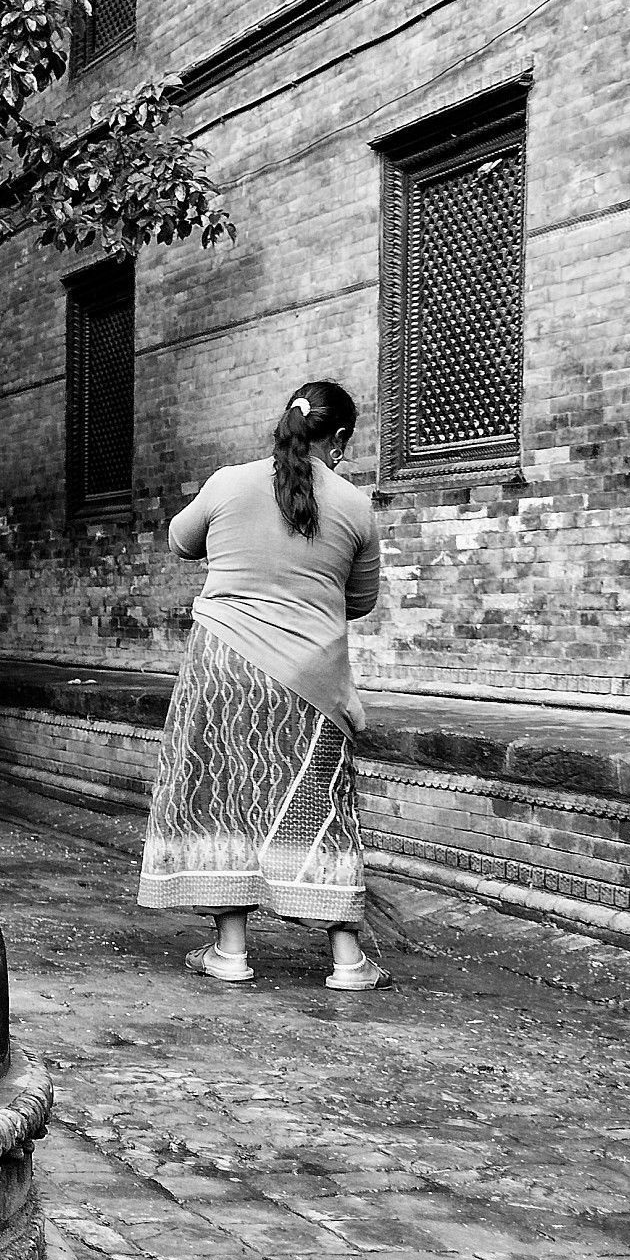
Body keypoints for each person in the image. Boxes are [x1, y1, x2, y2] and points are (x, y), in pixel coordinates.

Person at [138, 380, 388, 991]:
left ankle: (230, 952)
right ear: (340, 440)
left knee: (224, 797)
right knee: (320, 809)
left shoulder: (228, 483)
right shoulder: (355, 506)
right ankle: (348, 961)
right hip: (311, 679)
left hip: (223, 666)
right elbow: (360, 602)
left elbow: (178, 539)